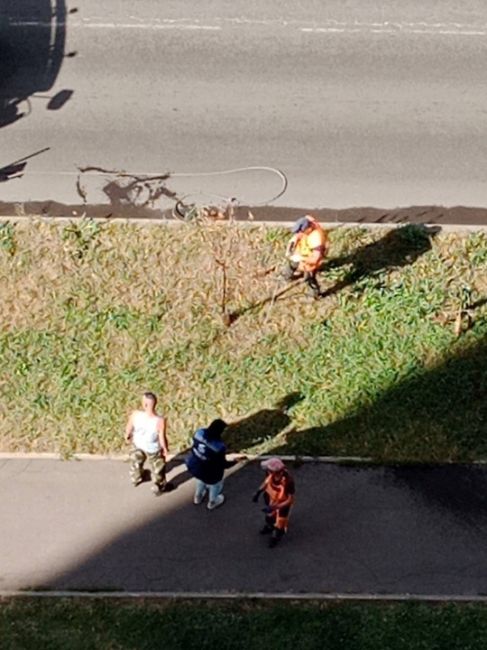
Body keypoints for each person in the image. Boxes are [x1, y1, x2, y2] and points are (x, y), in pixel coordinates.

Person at [186, 419, 245, 510]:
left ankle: (198, 496)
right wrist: (236, 461)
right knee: (215, 484)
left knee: (201, 478)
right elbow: (223, 464)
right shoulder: (218, 447)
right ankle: (213, 501)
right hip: (210, 473)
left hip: (194, 465)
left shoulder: (199, 433)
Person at [126, 392, 169, 495]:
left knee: (136, 462)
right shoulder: (159, 421)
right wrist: (165, 449)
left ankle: (136, 478)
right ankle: (159, 485)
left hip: (138, 444)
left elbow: (128, 428)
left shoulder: (135, 415)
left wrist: (127, 436)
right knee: (158, 467)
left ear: (145, 404)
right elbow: (161, 437)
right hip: (153, 448)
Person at [252, 457, 295, 548]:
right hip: (271, 499)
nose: (267, 471)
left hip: (282, 504)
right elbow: (266, 482)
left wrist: (276, 507)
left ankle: (275, 537)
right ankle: (269, 526)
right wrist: (258, 492)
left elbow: (290, 500)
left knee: (280, 523)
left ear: (274, 471)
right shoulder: (270, 473)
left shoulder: (288, 481)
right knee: (269, 517)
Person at [284, 215, 328, 298]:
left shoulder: (317, 239)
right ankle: (286, 276)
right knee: (292, 264)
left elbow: (316, 258)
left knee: (309, 278)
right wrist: (291, 244)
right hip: (301, 251)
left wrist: (300, 258)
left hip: (309, 260)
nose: (299, 234)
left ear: (308, 229)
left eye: (301, 232)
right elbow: (297, 236)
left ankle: (315, 294)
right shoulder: (308, 221)